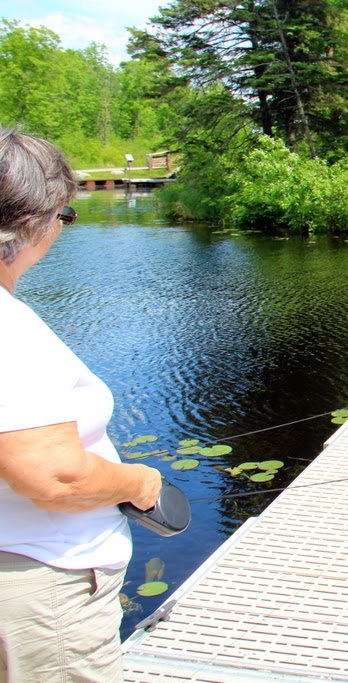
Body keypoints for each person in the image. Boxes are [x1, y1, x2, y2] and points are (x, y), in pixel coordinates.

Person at [0, 128, 163, 682]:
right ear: (34, 223)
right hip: (38, 586)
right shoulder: (7, 330)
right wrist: (138, 483)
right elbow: (56, 478)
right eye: (63, 216)